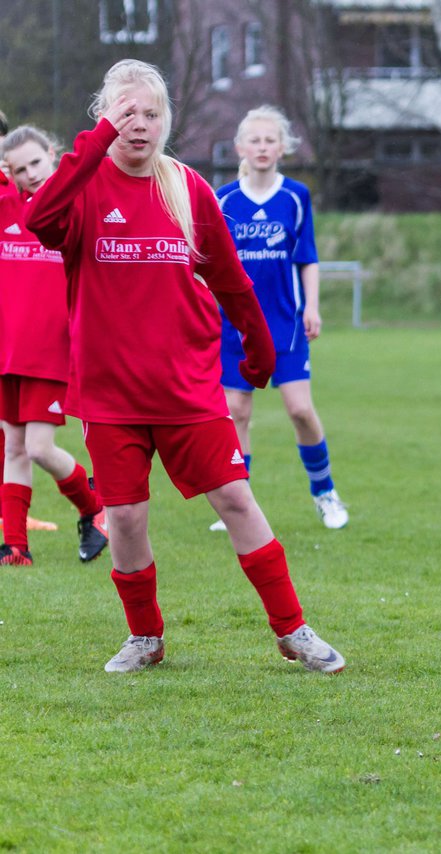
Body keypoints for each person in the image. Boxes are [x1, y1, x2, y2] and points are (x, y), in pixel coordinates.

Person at [25, 59, 345, 674]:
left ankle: (293, 630)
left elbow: (231, 279)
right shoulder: (83, 186)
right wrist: (94, 145)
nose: (138, 125)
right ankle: (146, 637)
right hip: (110, 393)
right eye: (125, 113)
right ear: (102, 117)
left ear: (166, 120)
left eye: (150, 114)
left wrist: (259, 347)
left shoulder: (188, 188)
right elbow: (38, 220)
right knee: (124, 516)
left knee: (236, 499)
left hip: (186, 388)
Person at [210, 105, 347, 532]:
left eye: (271, 140)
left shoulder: (295, 197)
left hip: (285, 325)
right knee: (236, 411)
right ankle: (240, 503)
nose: (263, 147)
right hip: (233, 327)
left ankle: (325, 493)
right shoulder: (223, 199)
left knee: (301, 410)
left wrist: (313, 305)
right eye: (255, 140)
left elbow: (306, 259)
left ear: (283, 147)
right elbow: (208, 263)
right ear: (240, 147)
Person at [0, 125, 109, 565]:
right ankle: (15, 547)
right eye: (19, 168)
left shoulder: (77, 204)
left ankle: (93, 508)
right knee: (13, 447)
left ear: (53, 155)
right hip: (8, 350)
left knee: (40, 448)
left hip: (52, 352)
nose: (30, 174)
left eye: (36, 163)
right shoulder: (5, 204)